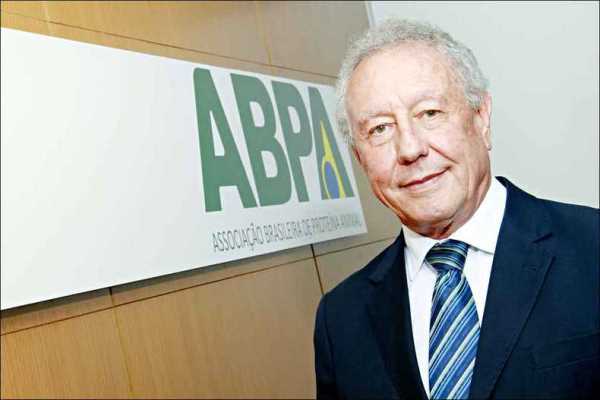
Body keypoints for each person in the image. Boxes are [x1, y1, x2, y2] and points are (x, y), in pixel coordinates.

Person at [314, 19, 599, 399]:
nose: (410, 148)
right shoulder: (340, 319)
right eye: (380, 129)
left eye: (429, 113)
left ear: (481, 117)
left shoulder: (591, 247)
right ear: (359, 158)